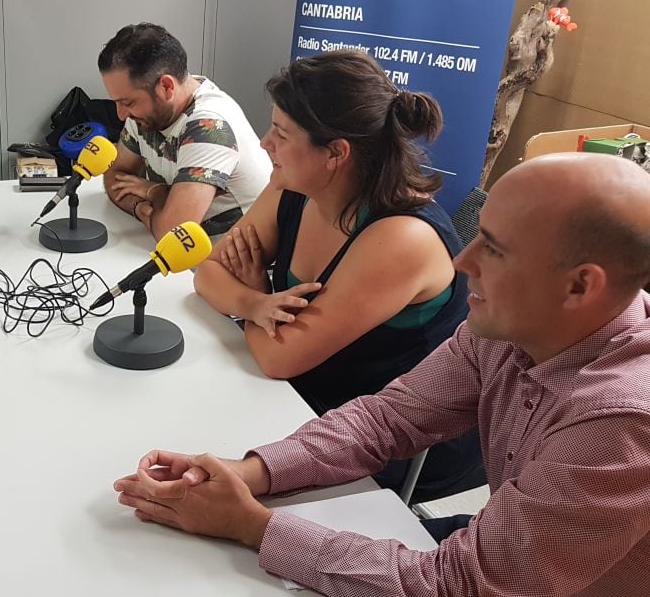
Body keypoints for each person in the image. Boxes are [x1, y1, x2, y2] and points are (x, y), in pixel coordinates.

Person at [114, 152, 650, 596]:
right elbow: (387, 418)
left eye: (497, 250)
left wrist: (250, 525)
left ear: (581, 287)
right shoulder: (515, 325)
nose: (464, 261)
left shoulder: (620, 422)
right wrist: (249, 473)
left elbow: (455, 586)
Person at [194, 50, 481, 501]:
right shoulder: (292, 184)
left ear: (336, 154)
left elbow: (278, 358)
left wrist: (251, 291)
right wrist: (255, 305)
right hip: (301, 400)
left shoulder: (402, 238)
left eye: (282, 134)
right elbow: (208, 272)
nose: (265, 143)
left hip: (383, 444)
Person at [98, 23, 271, 240]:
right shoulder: (146, 112)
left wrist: (156, 192)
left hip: (230, 260)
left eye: (127, 102)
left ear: (167, 87)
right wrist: (140, 208)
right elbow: (115, 176)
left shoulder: (209, 127)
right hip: (179, 254)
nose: (121, 115)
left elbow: (173, 233)